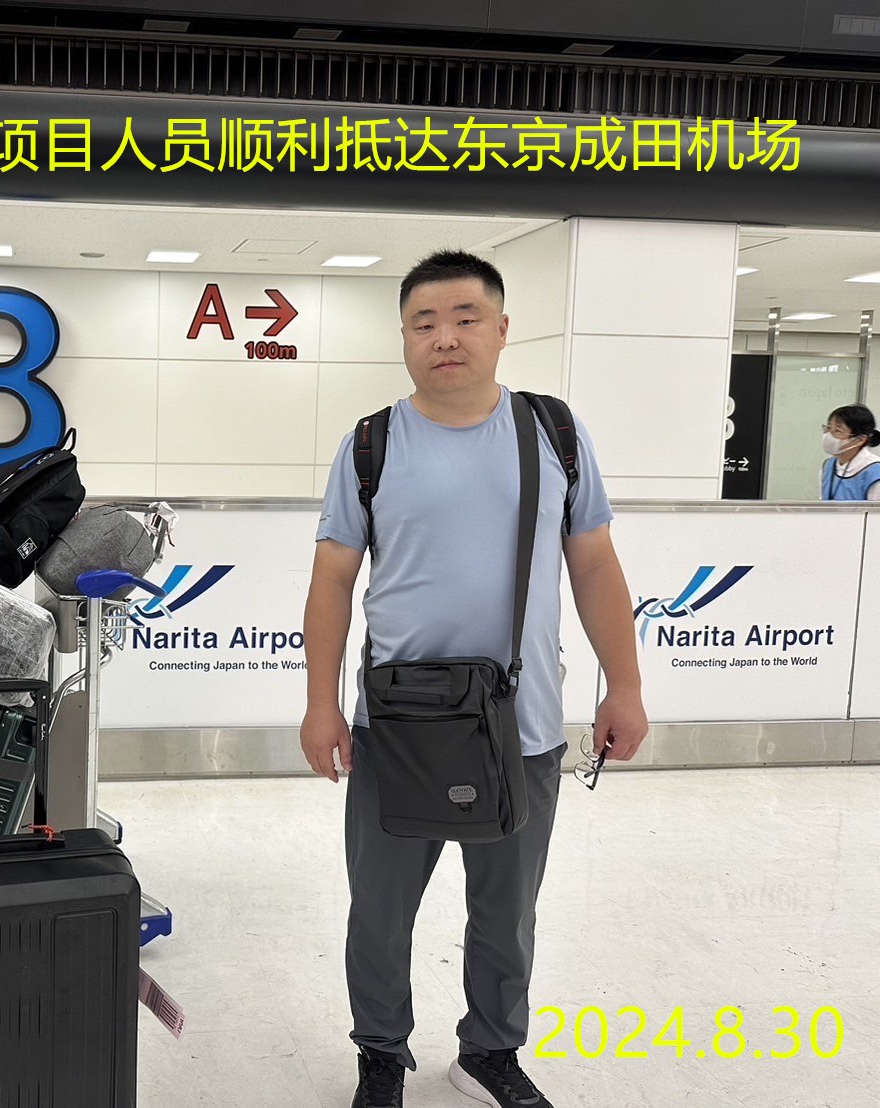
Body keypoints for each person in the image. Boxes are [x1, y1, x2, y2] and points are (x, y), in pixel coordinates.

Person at [301, 251, 649, 1108]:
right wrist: (319, 705)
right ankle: (380, 1052)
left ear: (500, 329)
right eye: (423, 323)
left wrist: (624, 686)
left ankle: (489, 1051)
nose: (444, 338)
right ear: (403, 338)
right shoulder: (371, 444)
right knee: (379, 911)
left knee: (506, 910)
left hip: (521, 726)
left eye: (464, 318)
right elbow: (332, 579)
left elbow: (594, 566)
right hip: (398, 726)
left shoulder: (552, 433)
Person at [819, 404, 880, 501]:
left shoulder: (875, 471)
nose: (829, 435)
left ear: (860, 440)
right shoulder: (828, 465)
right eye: (829, 428)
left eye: (838, 431)